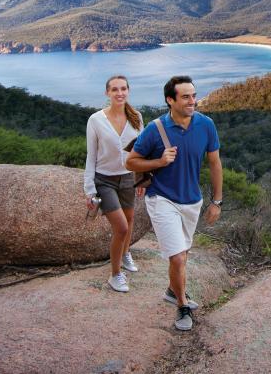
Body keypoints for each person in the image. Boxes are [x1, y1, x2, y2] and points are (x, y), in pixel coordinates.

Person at [126, 75, 223, 331]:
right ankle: (182, 305)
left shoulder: (206, 125)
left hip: (192, 200)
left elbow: (215, 163)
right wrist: (159, 162)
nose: (193, 101)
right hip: (161, 198)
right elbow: (131, 161)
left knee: (183, 254)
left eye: (194, 95)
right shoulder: (155, 129)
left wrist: (217, 201)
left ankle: (172, 289)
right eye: (186, 97)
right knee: (178, 257)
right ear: (170, 100)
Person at [84, 75, 145, 293]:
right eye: (115, 89)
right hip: (104, 180)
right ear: (107, 93)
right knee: (121, 227)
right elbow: (91, 156)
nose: (120, 93)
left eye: (123, 89)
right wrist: (89, 190)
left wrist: (141, 177)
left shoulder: (136, 117)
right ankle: (115, 274)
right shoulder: (96, 120)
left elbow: (141, 150)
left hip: (128, 177)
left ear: (128, 90)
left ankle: (125, 252)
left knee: (130, 219)